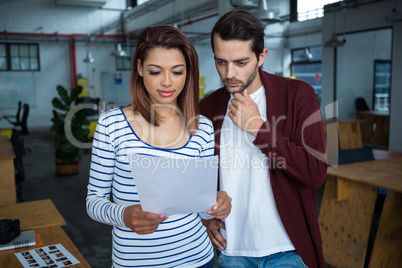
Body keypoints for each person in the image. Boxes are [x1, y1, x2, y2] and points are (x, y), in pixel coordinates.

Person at [86, 25, 231, 268]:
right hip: (135, 262)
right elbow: (94, 201)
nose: (166, 82)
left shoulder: (203, 127)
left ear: (188, 73)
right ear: (140, 68)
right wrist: (123, 215)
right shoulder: (111, 125)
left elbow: (202, 208)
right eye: (155, 71)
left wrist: (217, 204)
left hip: (197, 258)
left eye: (177, 72)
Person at [199, 10, 327, 268]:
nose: (229, 73)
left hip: (288, 251)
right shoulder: (208, 106)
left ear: (261, 56)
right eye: (220, 62)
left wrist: (259, 128)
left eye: (240, 62)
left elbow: (315, 173)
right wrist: (204, 217)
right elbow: (198, 174)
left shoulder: (298, 95)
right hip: (232, 249)